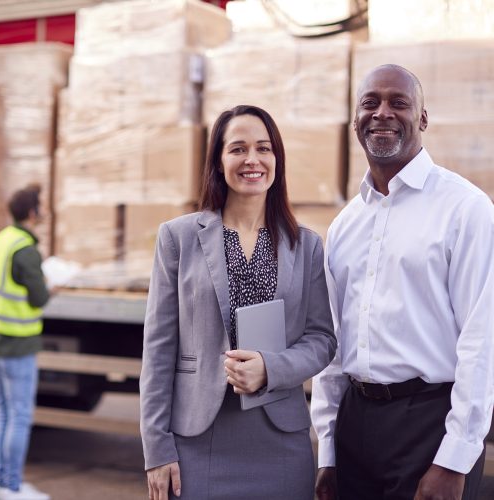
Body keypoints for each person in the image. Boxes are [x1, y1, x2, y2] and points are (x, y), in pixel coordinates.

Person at [311, 64, 494, 500]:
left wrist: (454, 459)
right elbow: (333, 345)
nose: (382, 113)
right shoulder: (344, 225)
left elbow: (482, 340)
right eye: (370, 103)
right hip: (355, 426)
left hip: (429, 424)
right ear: (355, 119)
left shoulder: (465, 209)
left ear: (423, 119)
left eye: (399, 102)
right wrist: (328, 452)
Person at [140, 104, 336, 500]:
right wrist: (156, 449)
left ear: (276, 159)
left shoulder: (307, 245)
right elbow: (158, 350)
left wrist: (272, 367)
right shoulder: (178, 238)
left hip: (279, 437)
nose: (252, 160)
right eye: (238, 148)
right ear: (218, 160)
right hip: (198, 437)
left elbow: (322, 339)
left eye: (264, 148)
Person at [0, 184, 53, 500]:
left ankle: (2, 485)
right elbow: (39, 298)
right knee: (19, 416)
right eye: (41, 206)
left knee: (4, 414)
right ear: (32, 213)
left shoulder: (1, 240)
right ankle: (12, 487)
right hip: (14, 343)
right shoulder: (26, 250)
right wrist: (51, 285)